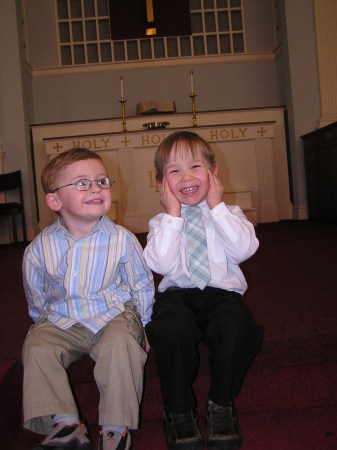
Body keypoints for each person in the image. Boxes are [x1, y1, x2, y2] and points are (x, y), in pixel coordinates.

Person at [22, 147, 154, 450]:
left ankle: (114, 428)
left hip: (113, 313)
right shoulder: (39, 248)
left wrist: (144, 325)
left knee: (120, 344)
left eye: (102, 181)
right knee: (37, 344)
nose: (96, 187)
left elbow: (141, 285)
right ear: (55, 200)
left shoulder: (122, 239)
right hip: (63, 317)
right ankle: (66, 422)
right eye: (82, 183)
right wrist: (42, 324)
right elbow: (37, 294)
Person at [143, 131, 264, 450]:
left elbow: (243, 250)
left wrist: (218, 207)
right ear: (162, 183)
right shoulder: (161, 222)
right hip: (178, 295)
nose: (186, 177)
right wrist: (172, 216)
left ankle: (220, 405)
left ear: (213, 172)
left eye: (195, 167)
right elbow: (160, 264)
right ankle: (179, 412)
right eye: (173, 171)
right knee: (169, 327)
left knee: (238, 326)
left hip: (222, 293)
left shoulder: (230, 214)